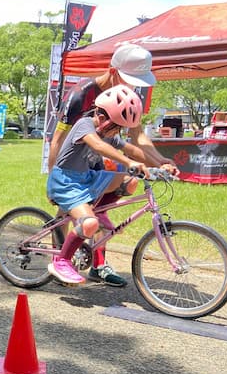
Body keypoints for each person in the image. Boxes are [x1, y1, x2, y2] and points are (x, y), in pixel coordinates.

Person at [47, 43, 176, 287]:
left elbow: (136, 138)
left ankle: (98, 264)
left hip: (97, 163)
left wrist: (160, 161)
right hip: (72, 165)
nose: (133, 86)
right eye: (129, 79)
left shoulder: (129, 98)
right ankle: (62, 260)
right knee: (70, 213)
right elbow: (58, 139)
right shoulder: (81, 95)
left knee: (126, 184)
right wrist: (52, 181)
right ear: (114, 72)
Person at [46, 85, 153, 285]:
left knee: (130, 182)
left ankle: (99, 212)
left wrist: (162, 162)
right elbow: (98, 146)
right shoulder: (85, 125)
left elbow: (132, 149)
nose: (117, 132)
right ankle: (61, 261)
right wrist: (129, 162)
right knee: (89, 223)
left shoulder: (108, 133)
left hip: (87, 178)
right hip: (66, 182)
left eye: (120, 128)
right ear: (100, 116)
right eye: (115, 127)